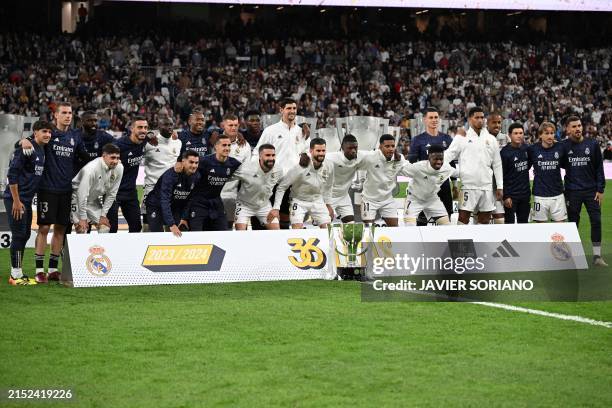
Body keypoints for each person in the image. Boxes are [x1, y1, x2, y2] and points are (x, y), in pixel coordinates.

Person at [20, 102, 90, 283]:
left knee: (60, 229)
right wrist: (24, 140)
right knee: (43, 228)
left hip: (66, 190)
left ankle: (52, 269)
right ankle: (39, 270)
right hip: (47, 189)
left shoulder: (75, 136)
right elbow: (27, 141)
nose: (68, 116)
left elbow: (85, 158)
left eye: (70, 113)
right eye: (64, 113)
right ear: (56, 116)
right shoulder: (48, 133)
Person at [3, 121, 52, 285]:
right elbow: (12, 175)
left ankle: (18, 271)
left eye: (49, 132)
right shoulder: (26, 148)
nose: (47, 135)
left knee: (25, 234)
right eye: (44, 131)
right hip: (16, 199)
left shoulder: (42, 149)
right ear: (35, 132)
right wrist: (16, 201)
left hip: (26, 200)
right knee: (18, 234)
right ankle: (15, 275)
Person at [255, 98, 310, 229]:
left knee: (287, 217)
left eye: (294, 108)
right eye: (288, 108)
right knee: (272, 217)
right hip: (274, 181)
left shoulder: (302, 132)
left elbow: (308, 151)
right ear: (281, 110)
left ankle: (284, 244)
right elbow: (258, 152)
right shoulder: (270, 130)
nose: (292, 111)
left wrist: (306, 156)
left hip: (294, 182)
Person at [444, 106, 503, 225]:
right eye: (477, 117)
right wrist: (456, 173)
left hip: (487, 186)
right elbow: (446, 157)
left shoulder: (491, 139)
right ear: (470, 119)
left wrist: (500, 186)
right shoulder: (461, 137)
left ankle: (479, 244)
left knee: (484, 220)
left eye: (482, 117)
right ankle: (460, 244)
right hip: (468, 186)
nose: (480, 120)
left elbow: (497, 164)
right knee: (463, 219)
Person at [562, 116, 607, 266]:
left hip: (591, 191)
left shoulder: (592, 144)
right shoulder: (563, 146)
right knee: (573, 223)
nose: (578, 129)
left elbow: (599, 168)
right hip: (572, 191)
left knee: (596, 221)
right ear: (567, 129)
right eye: (574, 126)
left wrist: (600, 189)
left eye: (579, 125)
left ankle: (597, 256)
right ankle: (574, 256)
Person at [270, 138, 334, 229]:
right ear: (311, 151)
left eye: (323, 150)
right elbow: (282, 187)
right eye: (318, 150)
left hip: (317, 200)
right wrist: (276, 208)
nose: (321, 153)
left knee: (328, 230)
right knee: (297, 230)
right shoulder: (300, 166)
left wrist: (328, 204)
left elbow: (329, 186)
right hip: (299, 201)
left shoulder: (329, 165)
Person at [409, 107, 455, 222]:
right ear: (425, 120)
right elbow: (412, 163)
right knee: (421, 222)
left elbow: (452, 163)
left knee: (445, 220)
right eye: (431, 117)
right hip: (424, 188)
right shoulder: (417, 140)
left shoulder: (447, 138)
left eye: (436, 117)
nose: (434, 120)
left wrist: (454, 184)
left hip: (443, 185)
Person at [189, 134, 242, 231]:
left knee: (223, 232)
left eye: (229, 145)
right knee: (196, 234)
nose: (227, 148)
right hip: (199, 202)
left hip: (216, 201)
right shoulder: (204, 162)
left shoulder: (234, 163)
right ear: (216, 147)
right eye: (224, 145)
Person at [107, 116, 149, 233]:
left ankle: (130, 251)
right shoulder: (119, 145)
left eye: (145, 127)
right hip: (113, 192)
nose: (143, 130)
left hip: (130, 192)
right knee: (112, 228)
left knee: (136, 227)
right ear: (132, 128)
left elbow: (153, 136)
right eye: (140, 127)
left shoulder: (144, 141)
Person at [145, 150, 200, 237]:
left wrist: (184, 217)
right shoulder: (170, 176)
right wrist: (171, 224)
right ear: (183, 162)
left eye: (196, 163)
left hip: (175, 207)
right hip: (156, 205)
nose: (194, 165)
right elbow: (165, 200)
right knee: (156, 235)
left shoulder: (197, 176)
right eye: (191, 162)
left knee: (178, 235)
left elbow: (190, 199)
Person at [71, 144, 123, 234]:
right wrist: (83, 218)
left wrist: (103, 215)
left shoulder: (119, 168)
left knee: (105, 228)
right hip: (76, 198)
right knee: (82, 230)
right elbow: (81, 194)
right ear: (104, 156)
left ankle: (99, 248)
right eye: (113, 158)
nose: (115, 161)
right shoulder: (91, 169)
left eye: (118, 158)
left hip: (92, 200)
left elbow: (112, 193)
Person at [141, 117, 182, 231]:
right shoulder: (149, 143)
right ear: (158, 127)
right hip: (151, 191)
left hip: (170, 192)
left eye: (171, 124)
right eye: (165, 124)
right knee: (148, 228)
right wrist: (148, 135)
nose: (169, 127)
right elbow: (135, 141)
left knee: (170, 228)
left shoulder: (178, 142)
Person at [324, 134, 376, 223]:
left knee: (351, 225)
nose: (353, 150)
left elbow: (376, 154)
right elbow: (312, 157)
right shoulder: (331, 158)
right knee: (325, 224)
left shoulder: (360, 156)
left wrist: (396, 156)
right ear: (342, 148)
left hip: (344, 196)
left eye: (355, 148)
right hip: (328, 197)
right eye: (350, 148)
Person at [358, 134, 407, 227]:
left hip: (387, 200)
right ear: (380, 147)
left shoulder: (399, 159)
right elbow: (355, 155)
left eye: (393, 146)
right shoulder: (370, 156)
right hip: (369, 200)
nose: (391, 149)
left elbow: (410, 169)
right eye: (387, 146)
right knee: (369, 229)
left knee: (395, 228)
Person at [402, 145, 458, 226]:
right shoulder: (418, 167)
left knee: (447, 226)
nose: (439, 162)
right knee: (410, 227)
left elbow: (461, 174)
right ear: (429, 158)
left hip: (432, 200)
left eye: (441, 159)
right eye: (435, 159)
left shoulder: (446, 168)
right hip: (414, 200)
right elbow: (400, 169)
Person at [231, 144, 282, 230]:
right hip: (244, 205)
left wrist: (276, 208)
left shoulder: (278, 169)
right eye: (267, 155)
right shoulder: (246, 168)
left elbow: (281, 188)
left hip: (264, 205)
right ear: (260, 156)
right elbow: (228, 177)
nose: (271, 158)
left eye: (273, 155)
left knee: (276, 232)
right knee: (240, 234)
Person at [528, 122, 567, 223]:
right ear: (540, 135)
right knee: (541, 230)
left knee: (560, 229)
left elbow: (567, 165)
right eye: (546, 133)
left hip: (557, 194)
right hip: (539, 195)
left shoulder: (560, 147)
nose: (550, 136)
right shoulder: (532, 149)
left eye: (552, 133)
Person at [220, 113, 252, 229]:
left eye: (235, 125)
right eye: (230, 125)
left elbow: (247, 172)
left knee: (232, 226)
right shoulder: (214, 140)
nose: (233, 128)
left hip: (234, 195)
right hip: (215, 194)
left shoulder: (244, 146)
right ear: (223, 125)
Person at [500, 123, 531, 224]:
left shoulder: (527, 149)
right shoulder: (504, 153)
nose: (519, 135)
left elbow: (528, 166)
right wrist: (506, 196)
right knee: (509, 223)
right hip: (511, 196)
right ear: (509, 135)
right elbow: (501, 176)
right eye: (516, 133)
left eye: (521, 133)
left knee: (524, 223)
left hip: (525, 194)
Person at [487, 112, 508, 224]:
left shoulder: (506, 139)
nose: (497, 125)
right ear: (488, 123)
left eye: (499, 122)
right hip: (485, 184)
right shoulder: (482, 138)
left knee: (500, 218)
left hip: (499, 185)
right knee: (482, 218)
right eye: (494, 122)